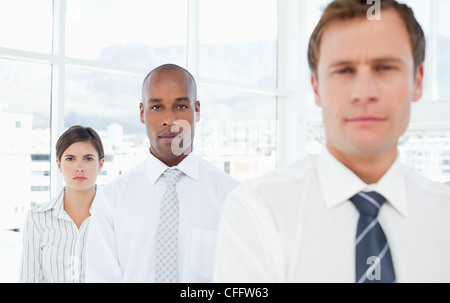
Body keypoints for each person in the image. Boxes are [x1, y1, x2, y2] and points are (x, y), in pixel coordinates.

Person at [213, 0, 450, 283]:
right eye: (344, 70)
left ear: (418, 81)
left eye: (385, 67)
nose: (364, 93)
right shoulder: (258, 212)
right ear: (315, 87)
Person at [85, 63, 239, 283]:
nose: (169, 119)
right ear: (142, 113)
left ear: (197, 111)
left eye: (181, 106)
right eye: (157, 107)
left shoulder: (232, 197)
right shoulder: (111, 199)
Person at [20, 125, 105, 283]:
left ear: (101, 164)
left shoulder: (115, 215)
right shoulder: (37, 219)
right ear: (59, 164)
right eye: (70, 159)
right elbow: (29, 278)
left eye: (88, 158)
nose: (79, 168)